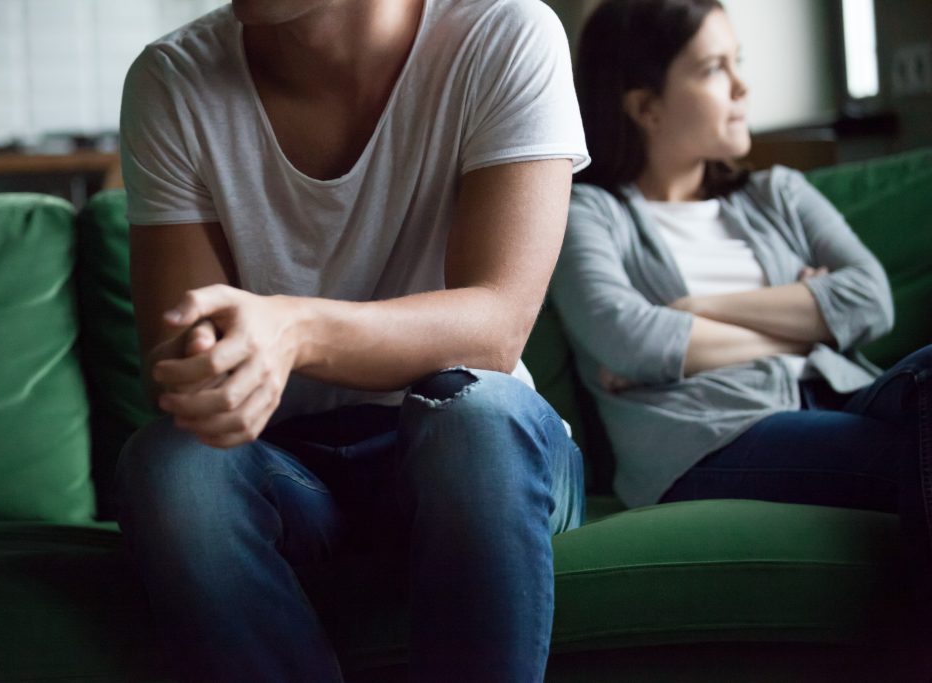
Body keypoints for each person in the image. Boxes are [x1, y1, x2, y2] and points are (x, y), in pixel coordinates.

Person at [113, 0, 588, 680]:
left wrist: (297, 328)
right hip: (296, 475)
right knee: (172, 465)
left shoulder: (506, 34)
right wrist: (208, 373)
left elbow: (496, 325)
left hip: (480, 460)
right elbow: (186, 373)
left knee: (478, 421)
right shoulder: (173, 79)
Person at [552, 0, 931, 672]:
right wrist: (807, 320)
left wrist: (698, 309)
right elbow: (630, 340)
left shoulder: (779, 194)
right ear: (647, 107)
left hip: (838, 396)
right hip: (712, 436)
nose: (742, 87)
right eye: (714, 69)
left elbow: (869, 300)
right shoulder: (590, 215)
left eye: (739, 63)